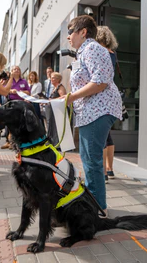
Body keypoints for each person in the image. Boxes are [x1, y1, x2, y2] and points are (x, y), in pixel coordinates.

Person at [62, 15, 122, 216]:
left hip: (98, 110)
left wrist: (70, 98)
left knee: (91, 160)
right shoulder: (84, 52)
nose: (68, 36)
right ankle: (95, 204)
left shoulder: (92, 48)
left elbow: (100, 82)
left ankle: (97, 208)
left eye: (71, 31)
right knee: (89, 159)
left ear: (83, 32)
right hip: (91, 111)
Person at [96, 25, 119, 182]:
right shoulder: (112, 53)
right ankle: (110, 169)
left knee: (101, 137)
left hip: (101, 97)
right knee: (108, 136)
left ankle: (103, 172)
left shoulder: (101, 52)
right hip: (111, 97)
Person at [1, 65, 30, 149]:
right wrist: (11, 91)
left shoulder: (24, 81)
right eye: (14, 69)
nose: (16, 70)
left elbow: (28, 92)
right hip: (10, 102)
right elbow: (2, 89)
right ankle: (8, 141)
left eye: (18, 69)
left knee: (19, 122)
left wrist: (19, 91)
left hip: (20, 103)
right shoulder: (8, 80)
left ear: (20, 72)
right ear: (11, 71)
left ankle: (17, 142)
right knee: (8, 122)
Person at [46, 72, 66, 146]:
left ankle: (57, 143)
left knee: (56, 127)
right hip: (52, 110)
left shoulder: (60, 87)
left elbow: (63, 97)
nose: (51, 79)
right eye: (51, 77)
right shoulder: (54, 88)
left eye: (53, 77)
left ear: (58, 79)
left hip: (58, 110)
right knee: (51, 125)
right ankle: (51, 142)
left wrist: (52, 100)